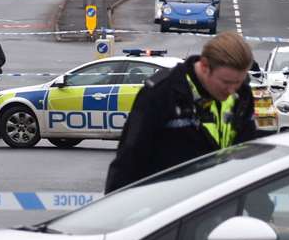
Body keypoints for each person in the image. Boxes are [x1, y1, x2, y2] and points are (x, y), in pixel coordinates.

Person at [105, 31, 261, 192]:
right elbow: (129, 159)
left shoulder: (241, 95)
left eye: (238, 82)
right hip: (167, 205)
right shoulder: (162, 93)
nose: (232, 90)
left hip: (219, 203)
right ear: (205, 66)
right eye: (226, 82)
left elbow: (247, 156)